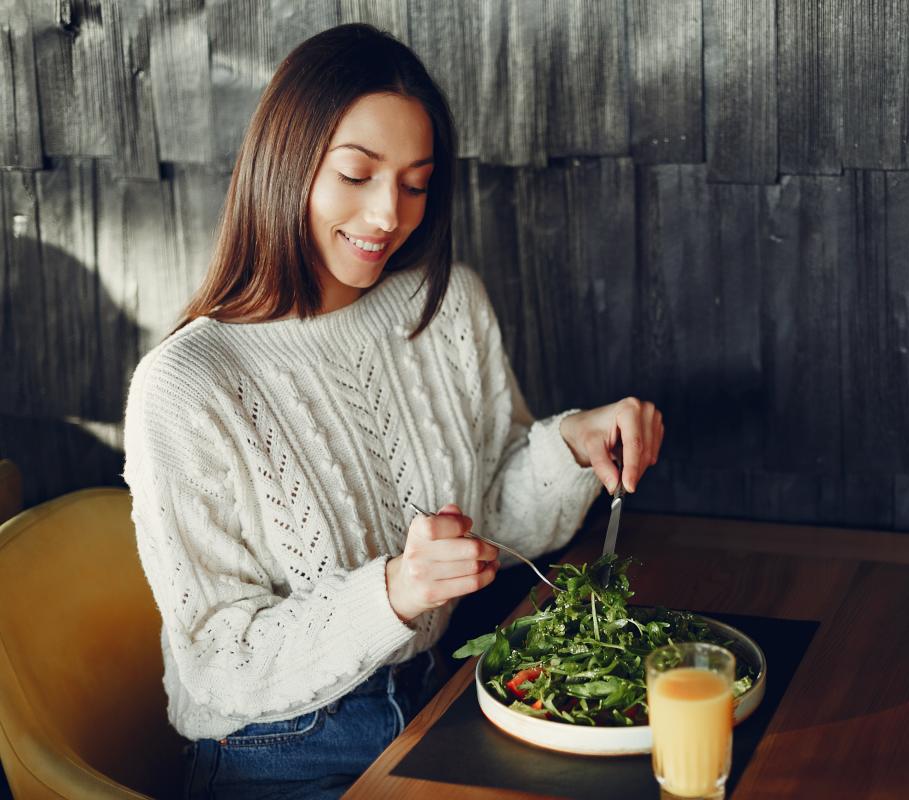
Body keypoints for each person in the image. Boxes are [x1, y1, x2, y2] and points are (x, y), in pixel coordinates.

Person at [122, 23, 663, 800]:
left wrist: (572, 446)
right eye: (356, 174)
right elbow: (219, 662)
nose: (388, 215)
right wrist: (395, 592)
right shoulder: (187, 384)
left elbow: (496, 529)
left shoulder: (446, 306)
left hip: (442, 690)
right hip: (281, 748)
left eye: (415, 184)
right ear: (287, 164)